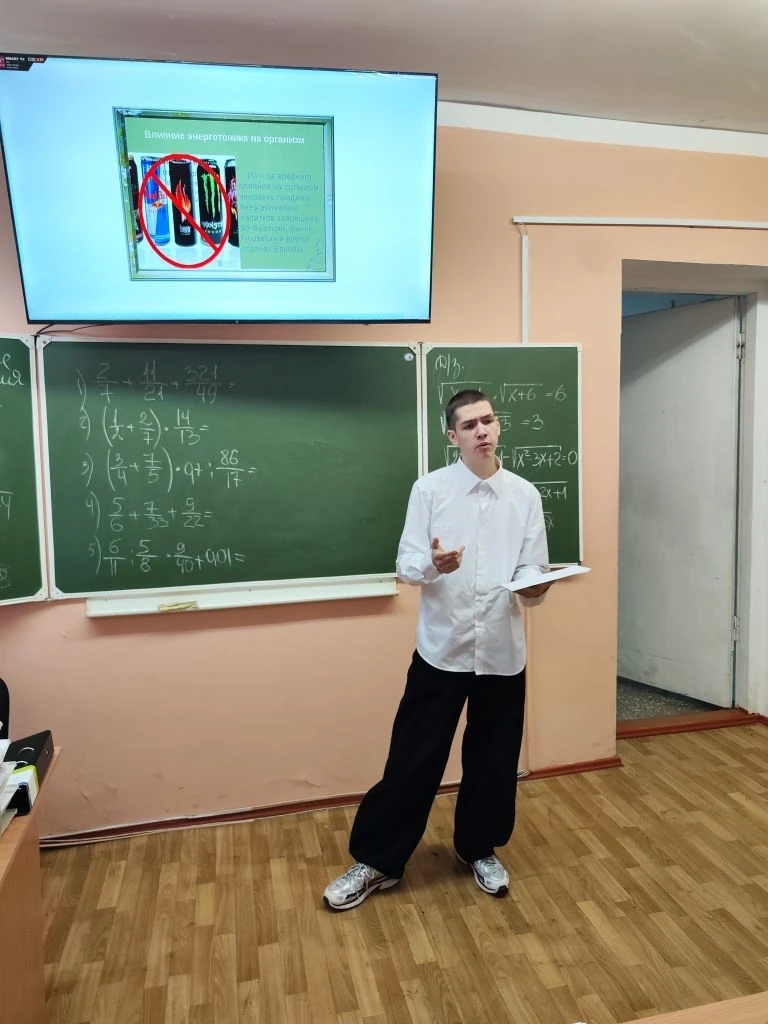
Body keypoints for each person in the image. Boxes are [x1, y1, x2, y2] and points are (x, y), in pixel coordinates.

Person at [323, 389, 552, 911]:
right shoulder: (430, 490)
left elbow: (531, 569)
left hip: (502, 652)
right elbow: (407, 565)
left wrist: (536, 587)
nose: (481, 431)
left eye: (488, 420)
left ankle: (479, 848)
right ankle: (378, 861)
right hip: (441, 649)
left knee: (494, 760)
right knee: (413, 759)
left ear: (498, 426)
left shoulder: (525, 495)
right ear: (453, 436)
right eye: (469, 425)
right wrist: (434, 565)